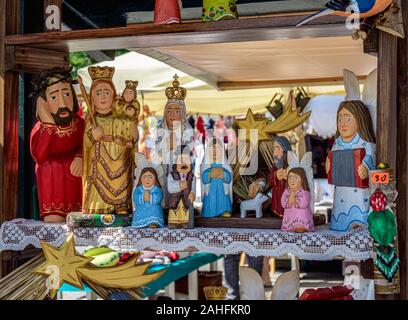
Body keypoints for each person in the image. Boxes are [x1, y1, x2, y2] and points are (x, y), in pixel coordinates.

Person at [80, 66, 138, 215]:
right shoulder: (91, 122)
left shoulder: (120, 117)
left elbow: (130, 138)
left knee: (123, 174)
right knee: (97, 179)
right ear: (92, 97)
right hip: (99, 164)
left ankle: (121, 205)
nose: (103, 97)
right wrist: (92, 136)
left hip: (121, 162)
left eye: (107, 92)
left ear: (113, 95)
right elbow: (85, 146)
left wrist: (134, 135)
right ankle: (98, 205)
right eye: (98, 93)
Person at [30, 68, 84, 223]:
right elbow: (39, 155)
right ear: (43, 102)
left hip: (75, 186)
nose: (62, 102)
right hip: (53, 186)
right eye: (54, 97)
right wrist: (48, 123)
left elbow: (89, 145)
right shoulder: (41, 128)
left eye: (67, 94)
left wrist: (81, 156)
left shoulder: (79, 124)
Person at [327, 100, 376, 231]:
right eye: (340, 119)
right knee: (340, 207)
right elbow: (331, 159)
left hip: (359, 193)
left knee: (359, 207)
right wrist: (329, 163)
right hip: (341, 190)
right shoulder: (337, 144)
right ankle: (340, 223)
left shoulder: (365, 144)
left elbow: (370, 158)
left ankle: (360, 222)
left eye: (348, 119)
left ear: (360, 120)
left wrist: (366, 167)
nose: (342, 123)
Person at [201, 138, 233, 218]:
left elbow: (229, 179)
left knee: (223, 199)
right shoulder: (205, 165)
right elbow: (203, 180)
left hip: (221, 188)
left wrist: (223, 174)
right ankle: (209, 211)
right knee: (210, 200)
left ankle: (224, 210)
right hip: (210, 189)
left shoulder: (225, 165)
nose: (215, 152)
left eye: (217, 149)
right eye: (212, 149)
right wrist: (209, 174)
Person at [281, 168, 314, 232]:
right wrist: (289, 199)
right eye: (290, 178)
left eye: (295, 178)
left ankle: (302, 226)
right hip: (289, 217)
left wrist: (295, 199)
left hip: (302, 217)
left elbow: (305, 203)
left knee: (300, 223)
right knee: (289, 223)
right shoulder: (287, 191)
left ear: (302, 179)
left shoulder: (304, 192)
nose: (292, 180)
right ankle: (290, 226)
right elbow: (282, 203)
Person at [268, 136, 292, 218]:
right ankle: (276, 211)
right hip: (276, 200)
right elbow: (270, 180)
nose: (275, 152)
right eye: (274, 149)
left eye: (278, 148)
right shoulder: (274, 167)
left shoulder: (292, 165)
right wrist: (276, 175)